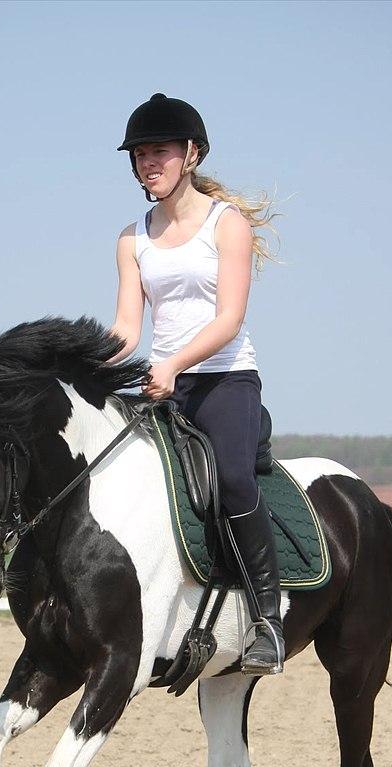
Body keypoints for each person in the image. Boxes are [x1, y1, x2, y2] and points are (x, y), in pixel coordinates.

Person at [112, 92, 284, 675]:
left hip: (225, 380)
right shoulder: (131, 238)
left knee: (233, 479)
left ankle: (267, 617)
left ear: (191, 154)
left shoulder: (225, 224)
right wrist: (89, 367)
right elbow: (127, 329)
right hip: (161, 382)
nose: (147, 161)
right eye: (139, 153)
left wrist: (173, 364)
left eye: (158, 150)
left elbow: (228, 319)